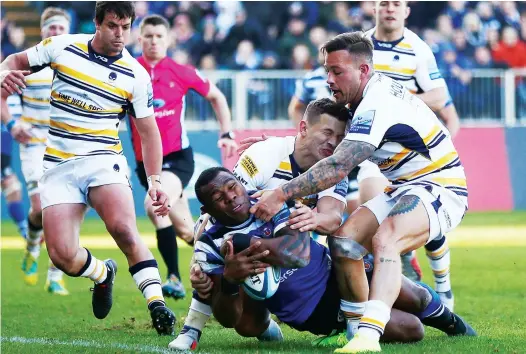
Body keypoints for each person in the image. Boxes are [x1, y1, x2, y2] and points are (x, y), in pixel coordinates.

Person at [250, 32, 470, 353]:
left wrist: (280, 193)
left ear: (364, 70)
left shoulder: (375, 103)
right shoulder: (362, 98)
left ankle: (368, 338)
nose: (329, 79)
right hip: (403, 186)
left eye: (337, 71)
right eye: (327, 70)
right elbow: (330, 143)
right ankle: (358, 331)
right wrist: (282, 145)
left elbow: (339, 165)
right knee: (343, 244)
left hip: (440, 185)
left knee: (386, 240)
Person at [0, 1, 175, 334]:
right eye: (112, 26)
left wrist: (154, 180)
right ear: (97, 23)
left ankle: (158, 305)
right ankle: (102, 273)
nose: (120, 34)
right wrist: (4, 75)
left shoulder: (136, 74)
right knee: (63, 256)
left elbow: (149, 132)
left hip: (102, 160)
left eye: (126, 27)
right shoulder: (63, 47)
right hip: (58, 163)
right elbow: (13, 62)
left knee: (124, 229)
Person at [184, 167, 475, 349]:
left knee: (414, 296)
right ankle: (343, 332)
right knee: (412, 329)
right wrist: (231, 281)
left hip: (335, 271)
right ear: (207, 208)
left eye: (232, 187)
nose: (231, 197)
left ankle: (458, 328)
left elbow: (296, 253)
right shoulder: (209, 247)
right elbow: (226, 318)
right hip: (312, 310)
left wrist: (250, 243)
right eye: (218, 197)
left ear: (239, 182)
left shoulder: (270, 201)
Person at [170, 98, 351, 350]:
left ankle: (356, 318)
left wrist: (312, 217)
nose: (334, 142)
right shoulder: (263, 155)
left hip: (292, 244)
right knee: (227, 262)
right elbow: (219, 215)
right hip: (254, 242)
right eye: (327, 133)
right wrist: (197, 264)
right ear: (303, 129)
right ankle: (192, 329)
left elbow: (332, 218)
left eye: (341, 136)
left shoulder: (334, 166)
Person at [130, 15, 238, 300]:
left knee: (154, 205)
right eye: (148, 36)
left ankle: (175, 279)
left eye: (159, 36)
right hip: (145, 164)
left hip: (177, 159)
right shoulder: (128, 71)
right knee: (186, 230)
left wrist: (226, 133)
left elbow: (217, 97)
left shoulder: (180, 71)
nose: (153, 41)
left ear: (168, 40)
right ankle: (230, 268)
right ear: (139, 38)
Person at [364, 0, 461, 309]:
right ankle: (394, 281)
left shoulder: (418, 49)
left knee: (430, 221)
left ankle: (443, 288)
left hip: (415, 150)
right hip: (375, 150)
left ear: (406, 11)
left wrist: (397, 99)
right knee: (373, 217)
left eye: (396, 4)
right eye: (384, 3)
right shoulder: (362, 45)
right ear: (374, 9)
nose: (389, 9)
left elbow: (439, 96)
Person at [0, 7, 71, 295]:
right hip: (34, 143)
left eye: (60, 28)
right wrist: (13, 124)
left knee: (63, 210)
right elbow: (3, 96)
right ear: (42, 32)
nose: (55, 33)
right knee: (41, 209)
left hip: (67, 144)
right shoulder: (29, 63)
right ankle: (32, 246)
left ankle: (55, 275)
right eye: (51, 28)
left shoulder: (79, 64)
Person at [1, 95, 28, 241]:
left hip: (5, 142)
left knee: (12, 187)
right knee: (12, 185)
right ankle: (25, 231)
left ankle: (25, 230)